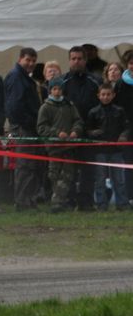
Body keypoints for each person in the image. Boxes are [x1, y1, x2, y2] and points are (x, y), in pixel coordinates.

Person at [63, 46, 101, 211]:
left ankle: (86, 202)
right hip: (69, 133)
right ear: (69, 60)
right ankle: (69, 201)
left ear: (85, 60)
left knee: (88, 170)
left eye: (80, 58)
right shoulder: (62, 82)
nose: (76, 61)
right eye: (73, 58)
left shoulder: (95, 81)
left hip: (88, 133)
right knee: (68, 170)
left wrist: (94, 129)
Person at [37, 77, 83, 213]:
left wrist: (76, 131)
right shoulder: (45, 107)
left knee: (67, 175)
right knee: (54, 175)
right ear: (50, 90)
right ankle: (57, 201)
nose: (57, 92)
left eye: (60, 89)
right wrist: (57, 133)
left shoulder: (69, 105)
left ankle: (57, 203)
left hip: (68, 146)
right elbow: (41, 128)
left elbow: (78, 121)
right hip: (53, 148)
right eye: (54, 89)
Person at [4, 47, 42, 211]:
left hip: (28, 126)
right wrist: (28, 122)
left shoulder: (24, 77)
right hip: (23, 127)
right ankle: (22, 201)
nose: (31, 64)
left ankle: (28, 199)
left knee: (31, 165)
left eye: (33, 61)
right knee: (25, 165)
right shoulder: (16, 77)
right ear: (20, 59)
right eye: (28, 60)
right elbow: (14, 106)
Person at [86, 84, 130, 211]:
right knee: (99, 179)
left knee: (119, 179)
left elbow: (126, 127)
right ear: (98, 96)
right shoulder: (93, 112)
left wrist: (123, 136)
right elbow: (88, 130)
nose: (106, 97)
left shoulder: (120, 111)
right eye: (103, 94)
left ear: (113, 95)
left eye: (108, 94)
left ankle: (122, 204)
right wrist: (94, 134)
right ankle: (101, 204)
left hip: (116, 151)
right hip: (100, 151)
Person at [114, 50, 133, 204]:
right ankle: (130, 196)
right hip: (127, 130)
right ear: (127, 65)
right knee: (129, 164)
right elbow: (116, 109)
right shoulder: (120, 84)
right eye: (131, 63)